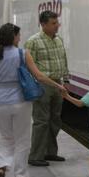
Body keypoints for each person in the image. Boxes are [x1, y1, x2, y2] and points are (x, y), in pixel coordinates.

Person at [0, 23, 66, 177]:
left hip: (0, 102)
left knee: (5, 137)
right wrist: (58, 86)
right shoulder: (22, 54)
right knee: (22, 140)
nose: (20, 38)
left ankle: (1, 167)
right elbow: (40, 76)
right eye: (18, 36)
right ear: (13, 37)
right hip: (20, 101)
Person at [26, 10, 69, 167]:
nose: (57, 25)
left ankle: (50, 152)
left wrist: (66, 79)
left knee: (55, 120)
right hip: (42, 84)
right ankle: (35, 155)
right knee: (41, 121)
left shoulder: (59, 40)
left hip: (57, 84)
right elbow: (27, 67)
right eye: (53, 23)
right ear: (43, 24)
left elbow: (63, 60)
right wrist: (34, 85)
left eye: (57, 22)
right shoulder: (33, 41)